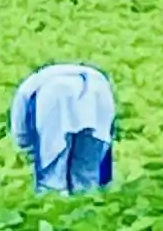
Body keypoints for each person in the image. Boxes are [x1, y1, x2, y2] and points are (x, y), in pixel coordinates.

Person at [9, 62, 119, 194]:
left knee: (51, 177)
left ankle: (55, 206)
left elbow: (20, 133)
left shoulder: (26, 90)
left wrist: (30, 153)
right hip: (98, 88)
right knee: (88, 176)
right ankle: (86, 204)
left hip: (55, 91)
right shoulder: (33, 83)